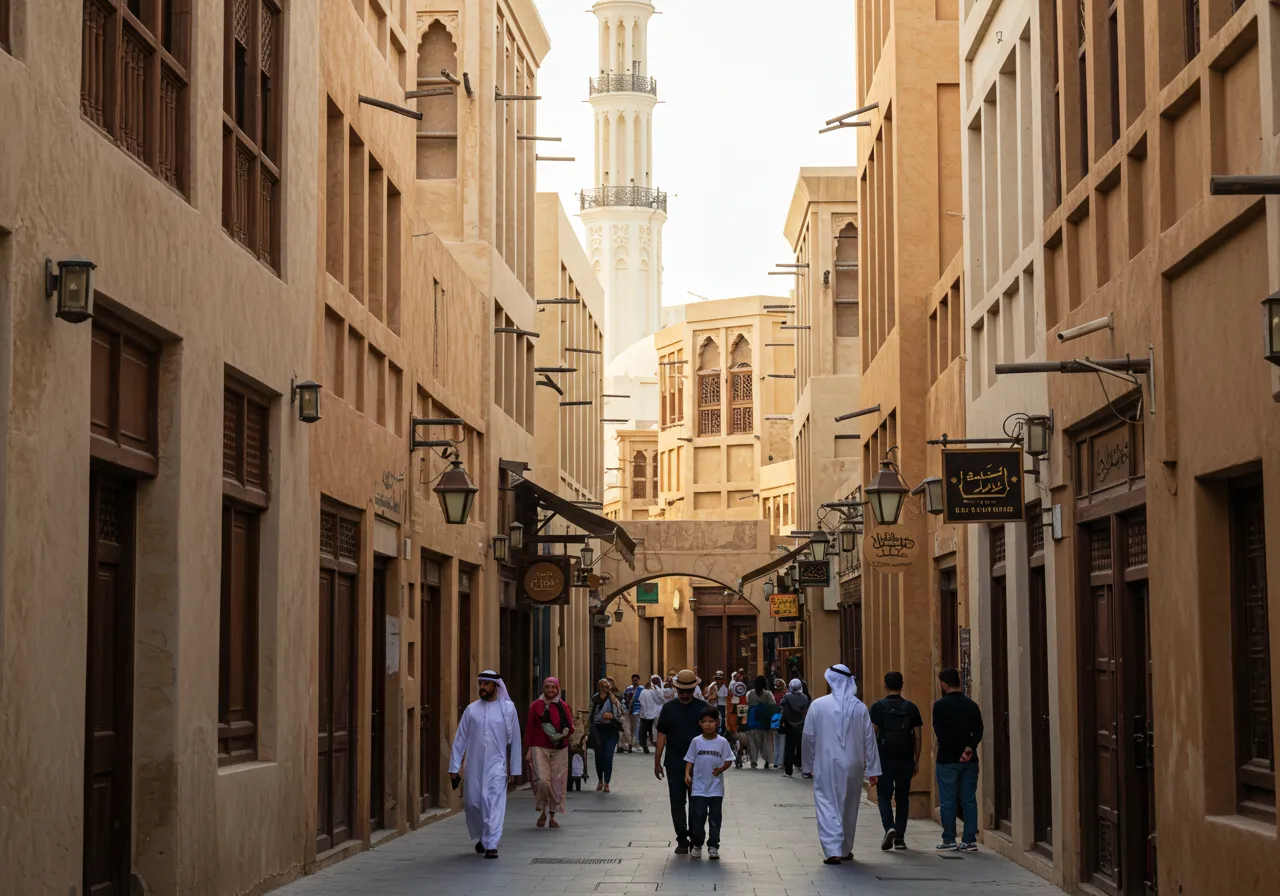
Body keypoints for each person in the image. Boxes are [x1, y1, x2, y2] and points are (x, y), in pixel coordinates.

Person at [802, 664, 881, 865]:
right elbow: (869, 740)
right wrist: (872, 769)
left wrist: (808, 765)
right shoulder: (859, 707)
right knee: (849, 804)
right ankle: (845, 848)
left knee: (827, 802)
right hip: (854, 764)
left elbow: (808, 737)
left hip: (826, 763)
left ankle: (833, 849)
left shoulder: (818, 705)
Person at [449, 670, 522, 859]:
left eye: (486, 684)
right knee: (472, 802)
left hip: (497, 765)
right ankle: (483, 836)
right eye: (480, 684)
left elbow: (515, 739)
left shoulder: (508, 709)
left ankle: (491, 844)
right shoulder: (471, 710)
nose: (482, 687)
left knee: (492, 801)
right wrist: (454, 768)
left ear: (496, 687)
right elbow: (460, 739)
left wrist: (514, 769)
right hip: (473, 765)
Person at [654, 669, 710, 855]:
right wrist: (657, 762)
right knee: (677, 801)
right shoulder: (668, 709)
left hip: (699, 763)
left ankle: (696, 836)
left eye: (688, 691)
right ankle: (682, 839)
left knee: (697, 802)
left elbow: (712, 735)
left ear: (694, 689)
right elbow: (661, 735)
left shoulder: (703, 708)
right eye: (681, 692)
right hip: (675, 761)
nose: (685, 695)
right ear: (676, 690)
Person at [869, 670, 924, 850]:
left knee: (883, 795)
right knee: (902, 797)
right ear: (902, 685)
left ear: (885, 686)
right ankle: (900, 837)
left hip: (884, 758)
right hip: (905, 759)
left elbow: (871, 735)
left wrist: (871, 760)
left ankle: (889, 827)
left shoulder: (877, 707)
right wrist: (916, 759)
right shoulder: (911, 708)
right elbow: (917, 737)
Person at [933, 667, 983, 852]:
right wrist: (968, 749)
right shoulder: (971, 705)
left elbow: (941, 734)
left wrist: (956, 751)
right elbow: (978, 730)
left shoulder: (939, 706)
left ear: (944, 684)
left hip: (947, 760)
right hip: (970, 761)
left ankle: (949, 839)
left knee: (948, 800)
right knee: (969, 799)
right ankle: (969, 840)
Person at [683, 706, 735, 859]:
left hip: (715, 788)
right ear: (699, 723)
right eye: (704, 721)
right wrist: (687, 774)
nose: (708, 724)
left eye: (711, 721)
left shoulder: (722, 742)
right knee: (698, 816)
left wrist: (721, 769)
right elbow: (690, 759)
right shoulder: (696, 742)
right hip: (698, 787)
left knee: (715, 818)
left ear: (717, 722)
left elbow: (729, 759)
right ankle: (697, 844)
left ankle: (713, 845)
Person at [524, 676, 574, 829]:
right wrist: (527, 749)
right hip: (539, 747)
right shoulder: (536, 706)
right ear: (543, 689)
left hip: (559, 749)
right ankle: (542, 810)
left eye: (553, 687)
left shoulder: (563, 706)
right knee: (542, 780)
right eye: (547, 687)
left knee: (557, 783)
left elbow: (571, 726)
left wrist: (565, 733)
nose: (550, 690)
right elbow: (530, 728)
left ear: (557, 689)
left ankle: (551, 815)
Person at [589, 679, 625, 792]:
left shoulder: (614, 699)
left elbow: (621, 712)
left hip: (611, 730)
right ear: (599, 687)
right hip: (598, 730)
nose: (605, 689)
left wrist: (611, 717)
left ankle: (607, 782)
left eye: (607, 687)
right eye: (603, 686)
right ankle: (600, 780)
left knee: (608, 756)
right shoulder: (594, 699)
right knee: (599, 757)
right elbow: (590, 715)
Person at [745, 675, 778, 769]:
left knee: (754, 742)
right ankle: (768, 760)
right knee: (767, 741)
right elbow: (773, 705)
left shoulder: (750, 693)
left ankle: (754, 761)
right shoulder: (768, 694)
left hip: (753, 720)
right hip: (765, 721)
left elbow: (747, 704)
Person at [779, 678, 810, 776]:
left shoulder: (786, 697)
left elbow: (782, 709)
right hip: (801, 725)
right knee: (802, 747)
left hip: (789, 725)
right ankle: (803, 768)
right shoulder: (805, 697)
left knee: (789, 748)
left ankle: (788, 771)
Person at [639, 674, 664, 752]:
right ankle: (644, 745)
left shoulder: (663, 691)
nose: (656, 683)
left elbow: (663, 700)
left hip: (658, 715)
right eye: (654, 681)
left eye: (657, 681)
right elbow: (642, 702)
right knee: (644, 731)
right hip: (646, 715)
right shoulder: (644, 691)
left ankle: (656, 744)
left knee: (655, 731)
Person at [623, 673, 645, 752]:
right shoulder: (628, 689)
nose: (634, 681)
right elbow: (624, 698)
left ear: (638, 680)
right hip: (630, 710)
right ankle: (630, 743)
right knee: (630, 728)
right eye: (633, 680)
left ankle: (636, 743)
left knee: (637, 727)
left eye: (636, 680)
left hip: (638, 710)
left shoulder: (641, 689)